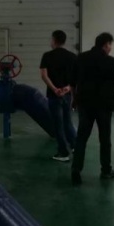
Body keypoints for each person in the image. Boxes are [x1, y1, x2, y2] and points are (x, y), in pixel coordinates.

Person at [70, 32, 114, 185]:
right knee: (105, 139)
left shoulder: (81, 58)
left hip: (85, 105)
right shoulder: (110, 61)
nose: (111, 48)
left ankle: (76, 171)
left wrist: (75, 99)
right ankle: (106, 170)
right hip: (104, 106)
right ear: (106, 44)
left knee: (81, 138)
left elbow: (72, 82)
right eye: (110, 45)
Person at [39, 30, 78, 162]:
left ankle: (63, 153)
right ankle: (76, 146)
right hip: (67, 95)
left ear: (54, 40)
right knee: (67, 122)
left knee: (58, 125)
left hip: (54, 95)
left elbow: (44, 75)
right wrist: (67, 88)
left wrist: (55, 89)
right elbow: (76, 77)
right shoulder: (72, 56)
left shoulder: (47, 56)